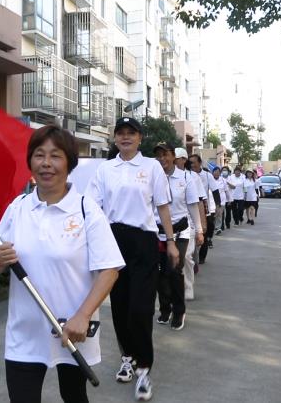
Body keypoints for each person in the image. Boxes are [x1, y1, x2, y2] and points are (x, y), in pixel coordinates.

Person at [0, 125, 126, 403]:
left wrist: (83, 315)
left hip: (71, 328)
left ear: (69, 163)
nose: (46, 163)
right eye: (39, 155)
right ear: (30, 162)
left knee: (73, 395)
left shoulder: (86, 209)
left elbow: (110, 270)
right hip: (24, 332)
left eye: (55, 156)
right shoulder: (17, 208)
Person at [86, 117, 178, 402]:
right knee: (121, 307)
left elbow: (162, 207)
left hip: (143, 242)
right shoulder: (105, 169)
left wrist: (171, 241)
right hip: (113, 241)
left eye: (131, 133)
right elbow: (92, 208)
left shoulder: (151, 167)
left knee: (141, 308)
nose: (126, 137)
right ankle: (127, 357)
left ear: (140, 138)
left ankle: (144, 369)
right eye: (121, 133)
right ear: (115, 138)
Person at [152, 143, 202, 330]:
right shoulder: (153, 177)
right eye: (158, 155)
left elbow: (192, 205)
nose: (162, 159)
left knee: (174, 270)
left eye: (165, 154)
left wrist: (199, 229)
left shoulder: (186, 178)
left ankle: (179, 311)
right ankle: (165, 308)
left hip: (180, 231)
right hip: (157, 232)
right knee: (160, 273)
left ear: (173, 156)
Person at [174, 148, 206, 299]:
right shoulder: (162, 175)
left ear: (183, 160)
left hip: (188, 224)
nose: (174, 161)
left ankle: (188, 286)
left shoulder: (192, 177)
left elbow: (198, 202)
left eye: (177, 158)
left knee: (186, 256)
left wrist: (201, 227)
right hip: (168, 224)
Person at [189, 154, 216, 265]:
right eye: (190, 162)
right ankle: (193, 257)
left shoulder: (207, 175)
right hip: (191, 209)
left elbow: (215, 191)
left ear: (199, 163)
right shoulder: (187, 175)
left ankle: (201, 257)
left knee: (203, 233)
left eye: (193, 162)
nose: (191, 165)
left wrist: (218, 206)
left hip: (204, 208)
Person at [220, 166, 233, 230]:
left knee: (228, 212)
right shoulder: (220, 178)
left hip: (229, 198)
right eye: (223, 170)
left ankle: (227, 223)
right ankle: (222, 225)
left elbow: (234, 187)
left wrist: (227, 183)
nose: (224, 171)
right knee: (222, 212)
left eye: (225, 170)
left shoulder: (230, 178)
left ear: (228, 171)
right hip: (222, 198)